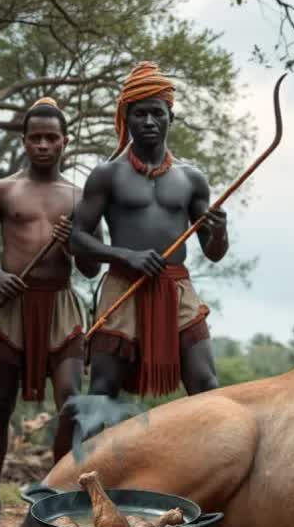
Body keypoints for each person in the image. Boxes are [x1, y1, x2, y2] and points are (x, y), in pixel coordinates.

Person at [0, 98, 101, 527]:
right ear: (24, 141)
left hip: (60, 304)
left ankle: (56, 493)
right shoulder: (3, 190)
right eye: (36, 137)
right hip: (11, 303)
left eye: (52, 138)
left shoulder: (80, 197)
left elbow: (91, 267)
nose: (43, 145)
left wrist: (71, 243)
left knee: (71, 404)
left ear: (65, 142)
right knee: (0, 402)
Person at [70, 61, 227, 406]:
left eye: (157, 113)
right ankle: (91, 462)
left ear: (171, 116)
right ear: (126, 118)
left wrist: (220, 231)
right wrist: (126, 255)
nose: (150, 122)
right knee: (102, 390)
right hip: (122, 285)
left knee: (205, 384)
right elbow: (77, 238)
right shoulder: (107, 175)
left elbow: (214, 253)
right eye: (140, 114)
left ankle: (213, 460)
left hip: (177, 289)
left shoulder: (191, 178)